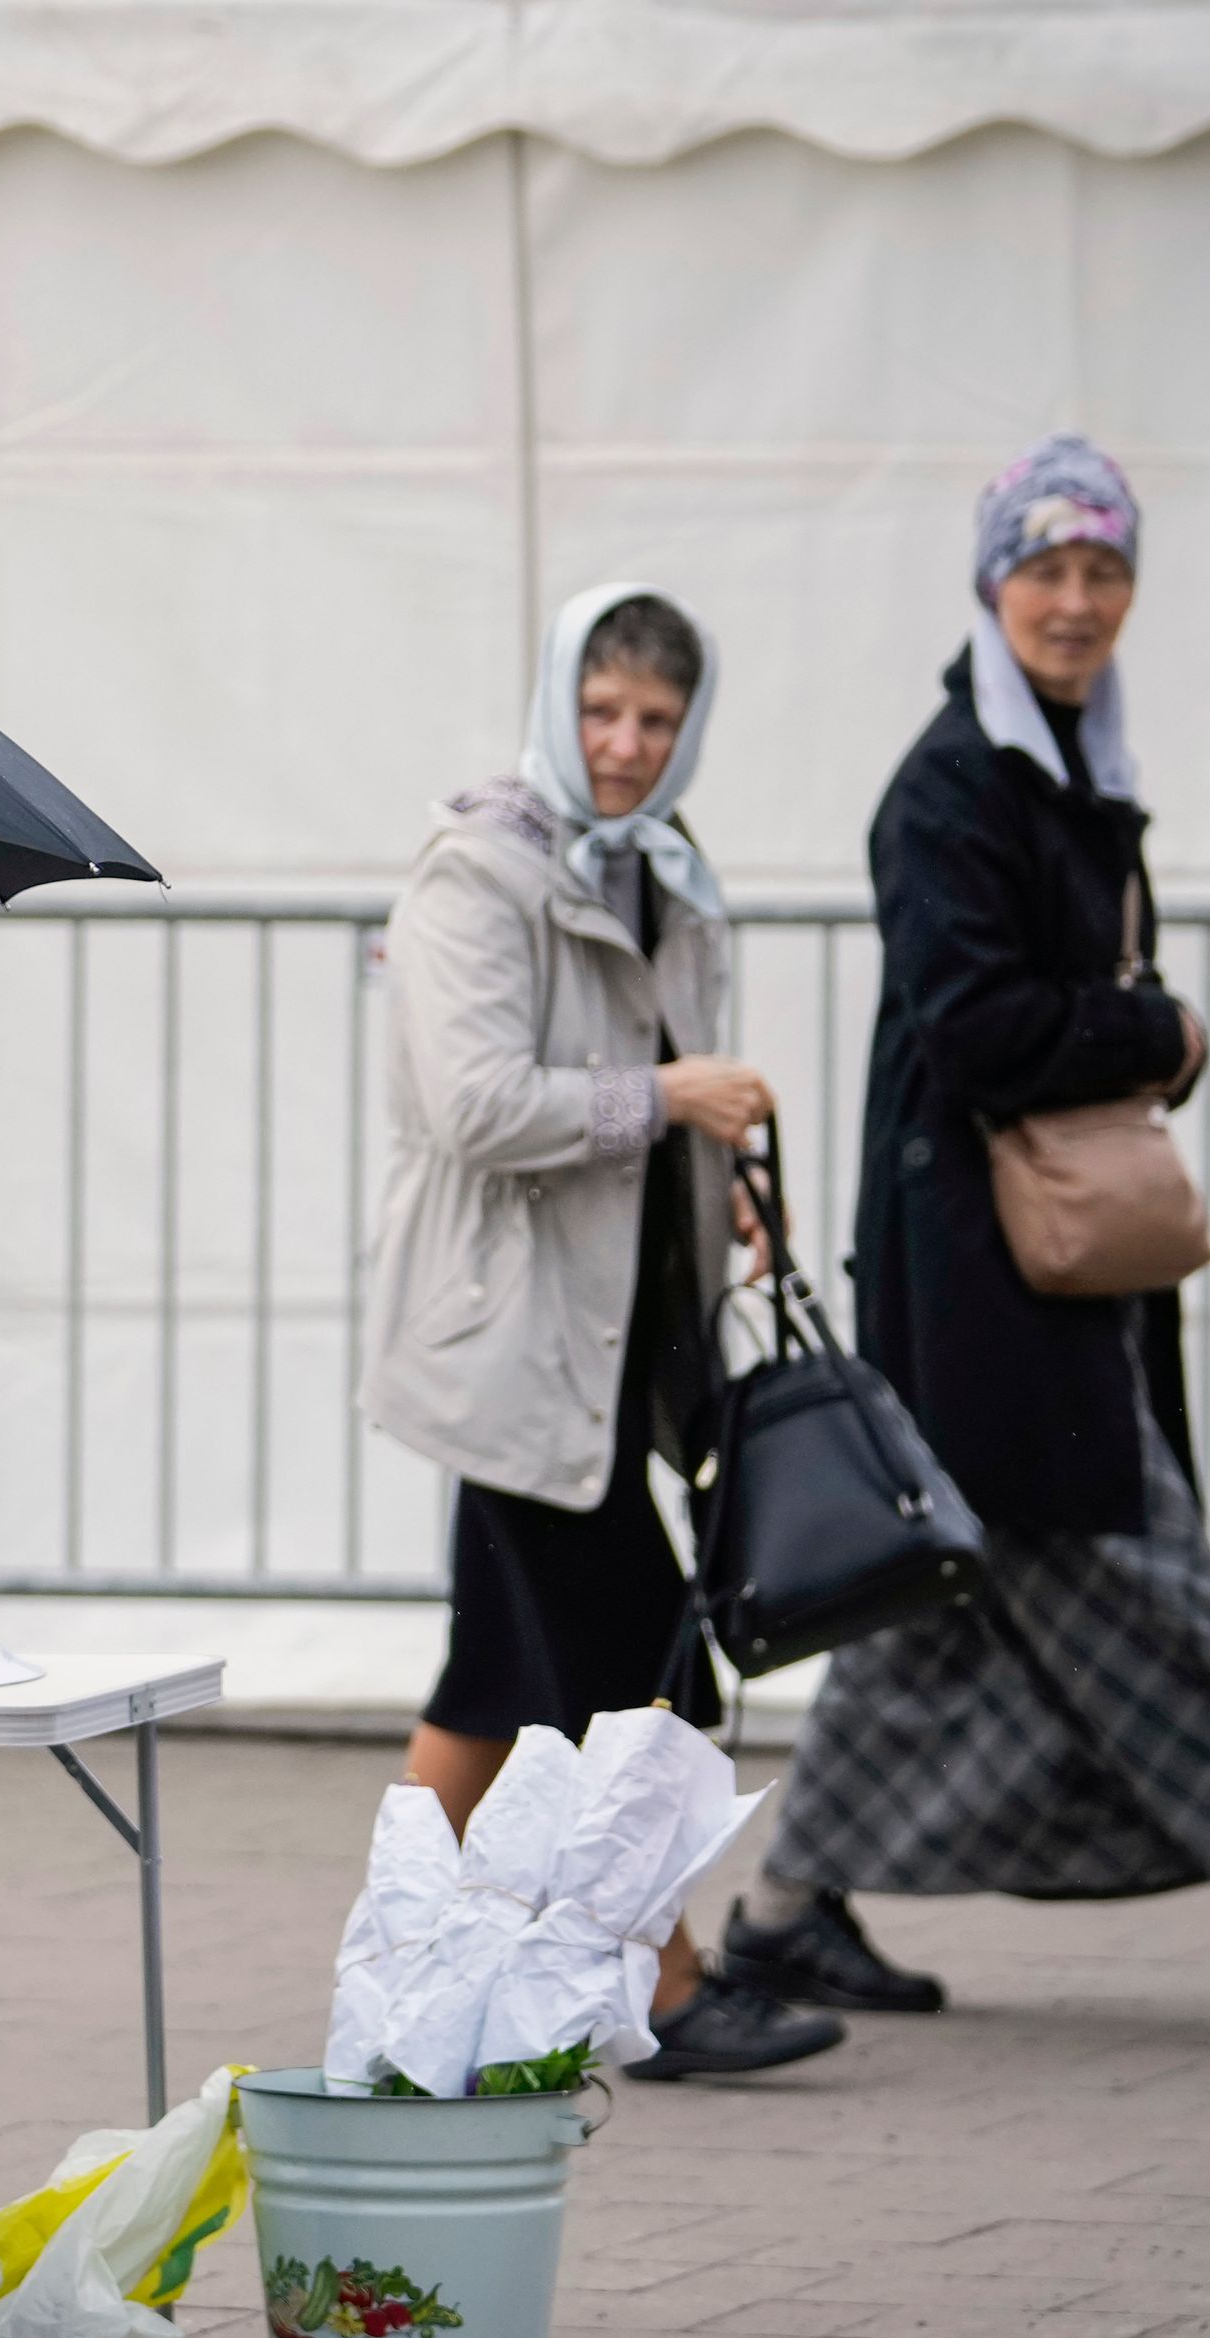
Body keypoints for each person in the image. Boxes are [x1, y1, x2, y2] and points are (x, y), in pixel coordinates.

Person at [717, 434, 1210, 2027]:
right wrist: (1160, 1035)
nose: (1075, 601)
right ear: (994, 585)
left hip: (1053, 1271)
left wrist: (1139, 1029)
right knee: (1142, 1584)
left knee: (943, 1621)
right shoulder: (952, 784)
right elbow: (986, 1032)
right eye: (1048, 570)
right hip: (983, 1280)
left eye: (1103, 571)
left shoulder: (1068, 765)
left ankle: (786, 1915)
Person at [363, 583, 839, 2082]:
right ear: (557, 706)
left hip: (621, 1343)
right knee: (643, 1668)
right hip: (513, 1343)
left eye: (656, 719)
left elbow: (666, 1097)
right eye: (602, 710)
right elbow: (476, 1104)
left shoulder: (672, 872)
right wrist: (674, 1102)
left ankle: (403, 1955)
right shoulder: (477, 874)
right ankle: (665, 1985)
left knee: (497, 1687)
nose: (626, 745)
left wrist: (726, 1195)